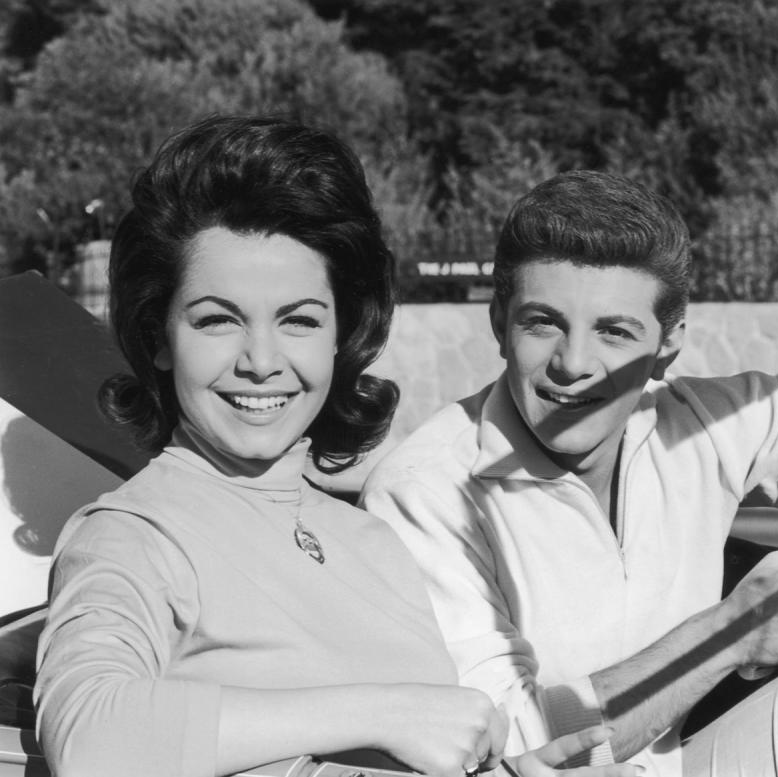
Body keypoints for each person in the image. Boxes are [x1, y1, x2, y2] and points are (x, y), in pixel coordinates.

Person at [33, 118, 645, 777]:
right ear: (159, 336)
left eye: (298, 320)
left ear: (339, 338)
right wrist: (384, 712)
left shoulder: (371, 540)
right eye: (217, 320)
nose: (262, 361)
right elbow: (90, 736)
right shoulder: (134, 533)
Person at [359, 170, 778, 776]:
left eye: (614, 332)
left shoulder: (694, 423)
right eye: (543, 322)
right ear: (498, 322)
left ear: (668, 343)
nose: (573, 364)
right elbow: (511, 743)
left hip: (676, 764)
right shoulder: (426, 493)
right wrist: (728, 635)